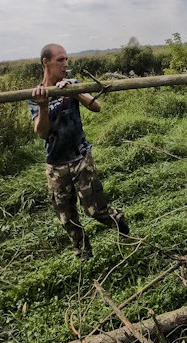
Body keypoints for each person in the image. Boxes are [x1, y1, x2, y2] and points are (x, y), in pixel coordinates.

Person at [29, 44, 129, 260]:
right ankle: (84, 256)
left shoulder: (73, 84)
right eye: (60, 60)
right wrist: (44, 106)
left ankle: (119, 222)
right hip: (55, 165)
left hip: (80, 158)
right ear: (46, 62)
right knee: (67, 218)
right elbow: (41, 133)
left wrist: (74, 93)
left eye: (67, 60)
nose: (66, 64)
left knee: (95, 211)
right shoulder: (35, 95)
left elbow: (96, 107)